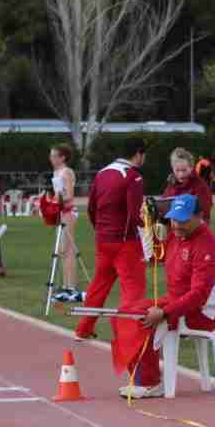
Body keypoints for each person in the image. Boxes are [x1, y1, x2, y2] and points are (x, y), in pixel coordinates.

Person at [118, 194, 215, 399]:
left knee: (140, 318)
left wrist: (163, 312)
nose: (176, 224)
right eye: (173, 218)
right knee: (126, 311)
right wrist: (146, 224)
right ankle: (141, 377)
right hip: (175, 299)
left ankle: (149, 382)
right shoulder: (178, 235)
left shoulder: (207, 246)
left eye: (183, 219)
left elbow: (198, 295)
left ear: (200, 216)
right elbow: (156, 254)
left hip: (200, 311)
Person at [75, 137, 149, 351]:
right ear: (138, 154)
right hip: (125, 242)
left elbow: (91, 208)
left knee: (99, 287)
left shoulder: (102, 173)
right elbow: (136, 214)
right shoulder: (133, 176)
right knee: (133, 289)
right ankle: (128, 334)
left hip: (103, 240)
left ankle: (83, 329)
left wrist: (100, 230)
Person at [48, 143, 82, 302]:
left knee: (68, 250)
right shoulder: (56, 171)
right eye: (51, 156)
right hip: (60, 211)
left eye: (54, 156)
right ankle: (66, 284)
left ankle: (71, 286)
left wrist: (55, 201)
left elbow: (69, 195)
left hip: (68, 212)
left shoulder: (67, 172)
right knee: (61, 249)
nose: (51, 159)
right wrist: (50, 201)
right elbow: (58, 194)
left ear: (63, 157)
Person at [162, 147, 214, 225]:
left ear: (191, 167)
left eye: (184, 170)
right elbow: (164, 207)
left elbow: (205, 212)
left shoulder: (200, 186)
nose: (181, 175)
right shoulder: (170, 186)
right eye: (177, 170)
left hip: (195, 231)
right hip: (174, 232)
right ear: (172, 168)